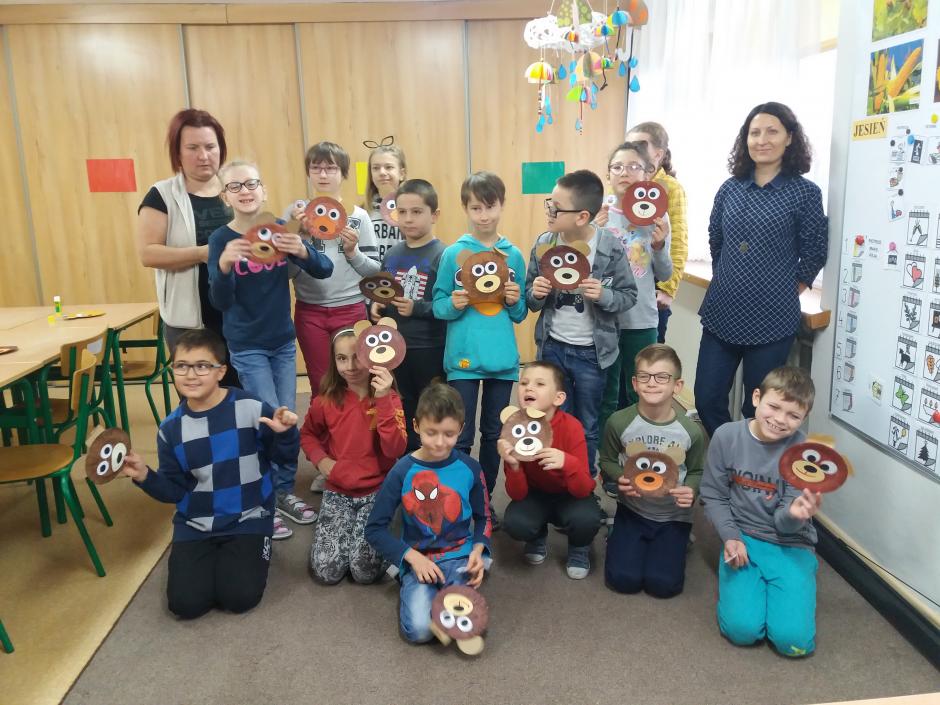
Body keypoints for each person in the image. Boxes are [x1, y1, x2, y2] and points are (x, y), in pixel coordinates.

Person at [121, 328, 299, 619]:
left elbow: (284, 457)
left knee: (239, 597)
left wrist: (286, 434)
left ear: (221, 371)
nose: (191, 375)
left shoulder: (251, 407)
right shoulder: (170, 428)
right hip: (196, 523)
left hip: (249, 516)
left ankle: (254, 547)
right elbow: (174, 490)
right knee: (185, 605)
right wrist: (144, 476)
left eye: (202, 366)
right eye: (181, 366)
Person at [208, 160, 331, 540]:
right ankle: (263, 498)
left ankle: (281, 491)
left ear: (264, 190)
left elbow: (324, 269)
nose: (245, 191)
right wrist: (224, 267)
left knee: (288, 418)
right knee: (269, 419)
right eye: (235, 186)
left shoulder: (277, 230)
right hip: (246, 346)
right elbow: (219, 301)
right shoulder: (221, 240)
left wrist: (304, 251)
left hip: (281, 342)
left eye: (252, 183)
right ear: (224, 196)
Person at [695, 102, 828, 437]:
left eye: (772, 132)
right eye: (754, 133)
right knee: (707, 397)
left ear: (790, 138)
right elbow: (716, 238)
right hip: (722, 310)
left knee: (759, 407)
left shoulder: (804, 193)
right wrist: (728, 276)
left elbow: (814, 250)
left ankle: (749, 462)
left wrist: (789, 288)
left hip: (772, 317)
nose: (761, 140)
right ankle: (727, 450)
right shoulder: (730, 188)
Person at [699, 366, 822, 656]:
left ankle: (794, 581)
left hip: (789, 543)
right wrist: (730, 537)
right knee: (741, 631)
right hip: (743, 538)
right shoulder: (726, 436)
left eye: (793, 415)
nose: (780, 420)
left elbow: (784, 524)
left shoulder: (804, 451)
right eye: (774, 407)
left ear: (804, 418)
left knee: (794, 643)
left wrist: (795, 514)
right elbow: (713, 495)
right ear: (756, 398)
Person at [432, 172, 527, 523]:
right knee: (459, 434)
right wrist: (453, 303)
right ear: (465, 208)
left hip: (502, 360)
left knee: (493, 435)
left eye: (490, 206)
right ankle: (459, 499)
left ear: (502, 205)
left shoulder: (513, 256)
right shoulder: (453, 254)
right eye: (476, 208)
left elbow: (519, 313)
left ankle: (484, 501)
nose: (484, 215)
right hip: (463, 359)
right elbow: (439, 306)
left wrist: (515, 300)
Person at [526, 169, 636, 471]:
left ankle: (583, 481)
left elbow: (628, 296)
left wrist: (604, 295)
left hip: (591, 354)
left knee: (586, 424)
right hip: (552, 348)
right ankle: (553, 478)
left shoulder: (609, 247)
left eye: (556, 208)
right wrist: (536, 293)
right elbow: (529, 299)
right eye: (550, 204)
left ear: (582, 216)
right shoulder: (544, 242)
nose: (549, 211)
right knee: (552, 418)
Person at [365, 383, 491, 644]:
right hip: (418, 558)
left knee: (469, 624)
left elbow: (484, 517)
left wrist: (479, 551)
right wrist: (411, 558)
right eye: (431, 432)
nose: (440, 443)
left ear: (461, 429)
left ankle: (448, 589)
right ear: (416, 426)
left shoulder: (470, 468)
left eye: (449, 434)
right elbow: (374, 529)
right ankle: (413, 584)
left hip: (459, 555)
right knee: (420, 631)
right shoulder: (402, 471)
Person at [136, 108, 239, 386]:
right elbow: (148, 253)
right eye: (193, 148)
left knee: (243, 397)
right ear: (178, 153)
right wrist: (203, 253)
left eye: (210, 146)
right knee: (199, 396)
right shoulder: (162, 195)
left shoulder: (236, 188)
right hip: (189, 322)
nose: (203, 155)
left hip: (239, 317)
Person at [300, 328, 407, 584]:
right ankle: (352, 531)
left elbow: (395, 450)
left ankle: (393, 521)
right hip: (339, 490)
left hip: (378, 491)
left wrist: (383, 400)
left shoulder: (390, 398)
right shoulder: (325, 400)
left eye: (357, 357)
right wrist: (321, 460)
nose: (349, 366)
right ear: (334, 362)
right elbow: (308, 434)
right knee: (326, 572)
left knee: (363, 572)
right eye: (341, 358)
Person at [600, 344, 705, 597]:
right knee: (623, 580)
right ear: (635, 383)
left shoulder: (691, 431)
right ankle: (619, 533)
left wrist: (691, 490)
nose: (652, 383)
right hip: (632, 511)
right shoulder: (618, 421)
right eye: (645, 376)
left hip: (673, 516)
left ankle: (678, 541)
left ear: (677, 386)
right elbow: (607, 460)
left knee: (663, 586)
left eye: (662, 377)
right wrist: (620, 477)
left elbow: (697, 470)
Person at [596, 142, 671, 471]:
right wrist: (594, 232)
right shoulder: (598, 211)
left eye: (633, 166)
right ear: (608, 174)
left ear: (647, 173)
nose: (624, 173)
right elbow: (586, 270)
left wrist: (659, 245)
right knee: (607, 394)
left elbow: (664, 273)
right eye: (617, 167)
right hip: (604, 319)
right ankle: (607, 463)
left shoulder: (657, 214)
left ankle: (638, 458)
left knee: (641, 390)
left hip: (641, 320)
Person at [498, 361, 599, 579]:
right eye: (524, 383)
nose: (529, 388)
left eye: (540, 384)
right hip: (535, 494)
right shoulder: (514, 429)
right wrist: (514, 466)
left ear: (558, 398)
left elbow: (584, 488)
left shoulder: (572, 427)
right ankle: (537, 535)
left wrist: (567, 462)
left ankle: (579, 546)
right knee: (515, 523)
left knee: (587, 519)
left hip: (570, 494)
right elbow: (517, 494)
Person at [369, 179, 446, 452]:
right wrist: (377, 304)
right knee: (403, 404)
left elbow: (447, 305)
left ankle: (435, 456)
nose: (408, 219)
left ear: (434, 215)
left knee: (431, 405)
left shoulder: (443, 255)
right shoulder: (392, 254)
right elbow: (383, 291)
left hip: (429, 346)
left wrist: (417, 308)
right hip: (394, 347)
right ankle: (410, 457)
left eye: (416, 211)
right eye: (402, 212)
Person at [624, 122, 688, 344]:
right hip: (621, 290)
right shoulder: (623, 184)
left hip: (652, 288)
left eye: (640, 145)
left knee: (648, 356)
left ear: (658, 154)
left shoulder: (670, 188)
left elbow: (678, 241)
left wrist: (668, 289)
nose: (633, 151)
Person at [364, 140, 406, 261]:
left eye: (389, 167)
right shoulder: (363, 212)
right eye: (376, 168)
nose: (382, 172)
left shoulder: (412, 210)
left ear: (401, 173)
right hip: (372, 271)